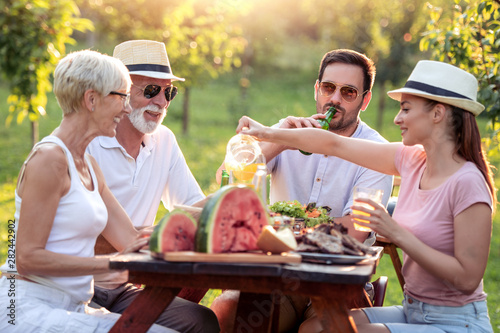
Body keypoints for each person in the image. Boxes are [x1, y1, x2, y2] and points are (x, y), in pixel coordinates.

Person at [236, 60, 496, 333]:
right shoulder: (411, 160)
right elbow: (332, 143)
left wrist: (394, 231)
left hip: (457, 321)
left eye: (406, 109)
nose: (397, 119)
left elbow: (467, 279)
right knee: (314, 330)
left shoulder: (467, 182)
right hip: (413, 309)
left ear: (437, 114)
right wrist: (263, 132)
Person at [0, 50, 174, 332]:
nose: (127, 109)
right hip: (29, 307)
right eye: (121, 97)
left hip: (74, 307)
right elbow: (27, 258)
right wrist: (110, 264)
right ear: (91, 99)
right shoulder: (50, 160)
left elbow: (130, 240)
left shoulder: (89, 164)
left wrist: (181, 236)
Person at [86, 40, 220, 333]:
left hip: (124, 287)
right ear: (118, 92)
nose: (161, 102)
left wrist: (228, 196)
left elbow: (193, 207)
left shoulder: (165, 140)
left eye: (169, 91)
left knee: (203, 322)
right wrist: (148, 236)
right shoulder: (88, 146)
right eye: (150, 91)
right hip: (81, 285)